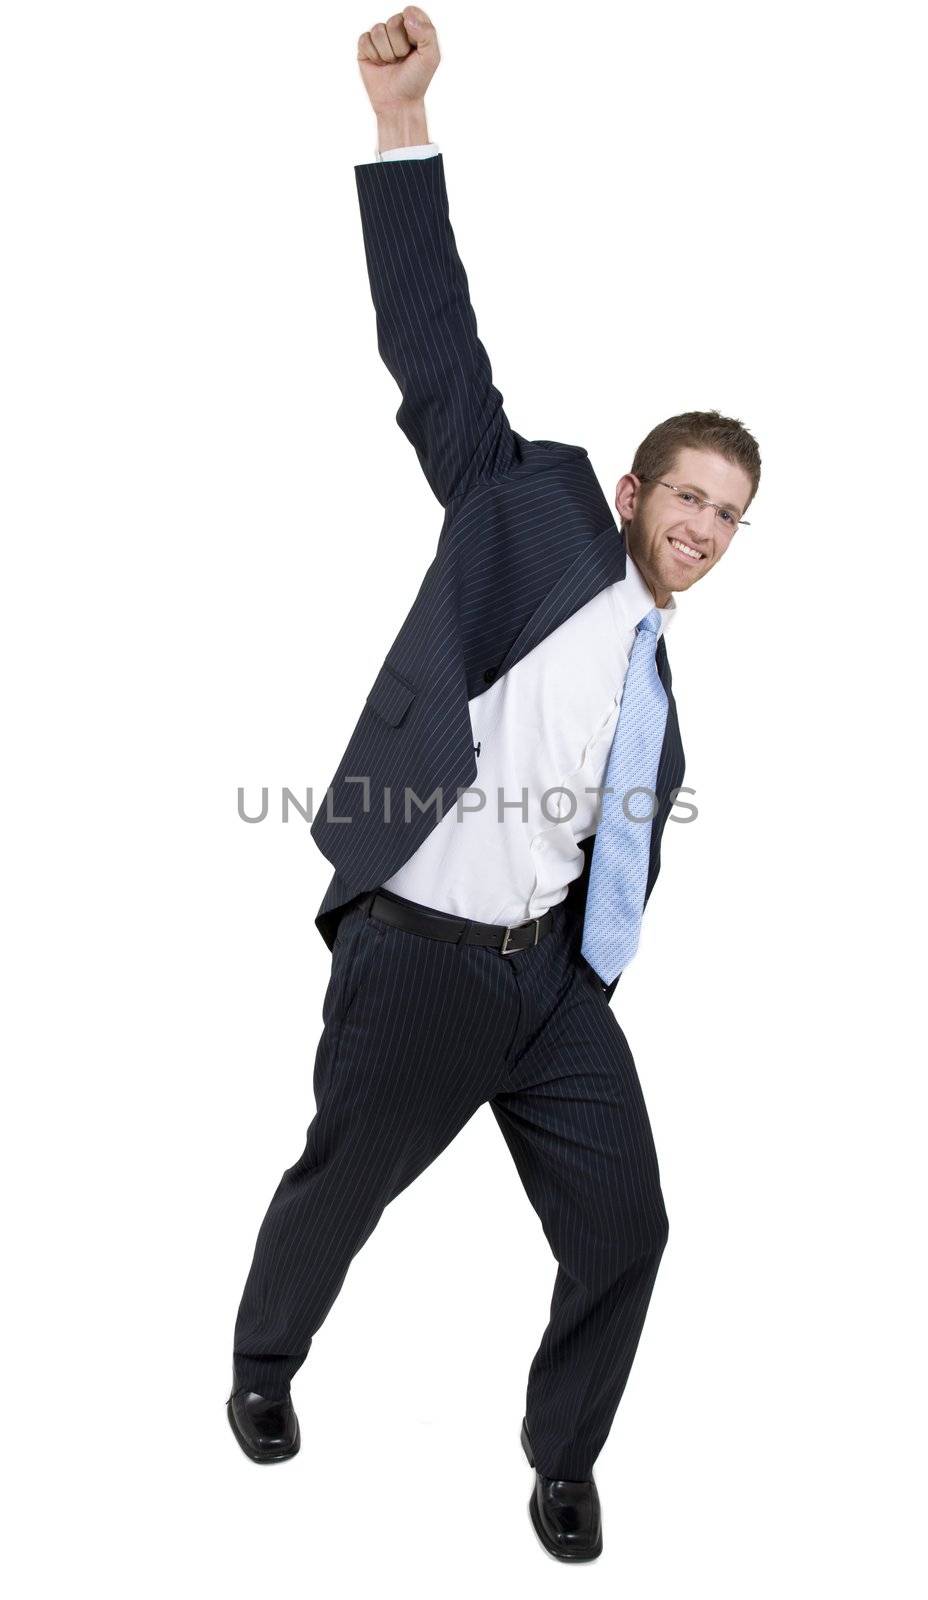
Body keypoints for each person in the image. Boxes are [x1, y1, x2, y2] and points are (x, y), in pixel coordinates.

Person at [227, 8, 760, 1564]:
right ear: (631, 492)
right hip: (421, 955)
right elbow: (435, 349)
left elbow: (621, 849)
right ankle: (263, 1360)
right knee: (343, 1187)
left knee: (630, 1229)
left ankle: (564, 1456)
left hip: (551, 992)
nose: (706, 531)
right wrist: (405, 125)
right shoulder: (527, 510)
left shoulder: (667, 698)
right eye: (690, 499)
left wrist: (583, 978)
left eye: (731, 519)